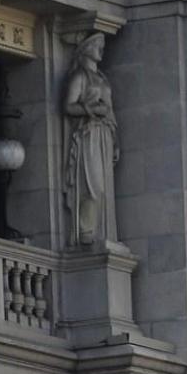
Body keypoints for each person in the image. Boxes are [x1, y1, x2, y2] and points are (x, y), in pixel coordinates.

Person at [63, 32, 117, 246]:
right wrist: (91, 109)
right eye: (97, 45)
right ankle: (86, 233)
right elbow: (67, 105)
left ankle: (100, 233)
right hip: (88, 134)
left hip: (104, 134)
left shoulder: (102, 78)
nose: (101, 50)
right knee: (92, 187)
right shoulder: (80, 77)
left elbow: (111, 110)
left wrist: (116, 141)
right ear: (86, 49)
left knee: (104, 191)